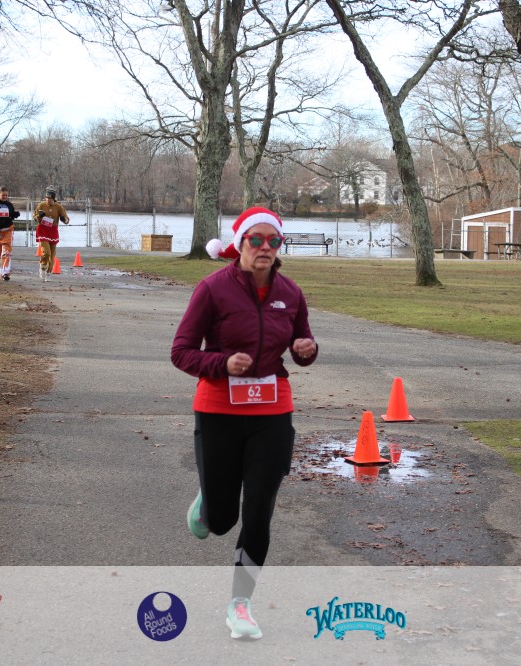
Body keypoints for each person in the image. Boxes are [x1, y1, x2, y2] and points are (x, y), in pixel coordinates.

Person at [170, 207, 318, 641]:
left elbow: (301, 342)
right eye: (256, 240)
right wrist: (221, 364)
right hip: (218, 409)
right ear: (239, 244)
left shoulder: (290, 292)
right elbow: (181, 352)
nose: (265, 248)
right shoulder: (212, 289)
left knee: (258, 511)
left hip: (272, 412)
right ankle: (209, 502)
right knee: (221, 521)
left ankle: (240, 603)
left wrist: (307, 350)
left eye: (274, 241)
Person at [33, 187, 70, 281]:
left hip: (53, 231)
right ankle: (42, 266)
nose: (47, 200)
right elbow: (35, 217)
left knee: (52, 256)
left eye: (49, 198)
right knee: (46, 252)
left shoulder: (58, 207)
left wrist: (64, 220)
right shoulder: (41, 205)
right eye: (46, 198)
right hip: (42, 230)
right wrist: (39, 216)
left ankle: (48, 273)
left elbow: (66, 218)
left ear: (53, 198)